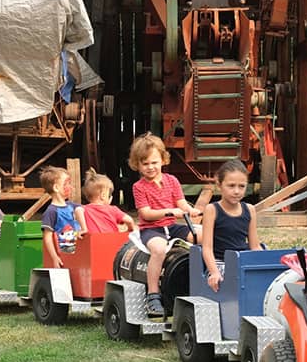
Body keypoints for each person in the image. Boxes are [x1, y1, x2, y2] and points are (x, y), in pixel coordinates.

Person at [131, 133, 201, 317]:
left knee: (202, 237)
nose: (150, 167)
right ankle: (153, 295)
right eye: (145, 164)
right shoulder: (139, 187)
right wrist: (170, 212)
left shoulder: (172, 181)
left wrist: (191, 210)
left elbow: (182, 203)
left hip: (171, 227)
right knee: (159, 249)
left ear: (163, 160)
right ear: (137, 165)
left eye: (154, 162)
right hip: (151, 229)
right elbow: (145, 213)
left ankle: (205, 280)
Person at [201, 159, 260, 292]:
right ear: (219, 185)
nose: (237, 191)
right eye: (231, 186)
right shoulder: (212, 209)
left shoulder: (250, 209)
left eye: (241, 186)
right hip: (220, 263)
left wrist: (261, 265)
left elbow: (255, 246)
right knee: (233, 278)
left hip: (243, 261)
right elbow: (207, 248)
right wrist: (214, 272)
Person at [40, 166, 80, 267]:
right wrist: (54, 257)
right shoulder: (51, 211)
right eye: (67, 184)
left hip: (78, 251)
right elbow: (47, 237)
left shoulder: (72, 206)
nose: (71, 187)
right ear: (56, 188)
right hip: (64, 253)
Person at [76, 169, 135, 234]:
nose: (110, 197)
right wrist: (130, 229)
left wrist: (84, 229)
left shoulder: (85, 209)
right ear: (103, 196)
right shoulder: (113, 209)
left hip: (94, 242)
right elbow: (130, 220)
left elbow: (78, 209)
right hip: (113, 241)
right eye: (109, 195)